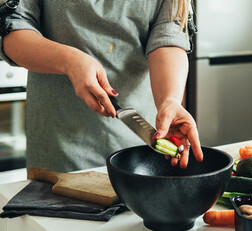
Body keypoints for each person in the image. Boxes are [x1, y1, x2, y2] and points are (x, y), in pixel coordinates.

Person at [0, 0, 203, 172]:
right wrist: (69, 61)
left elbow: (168, 39)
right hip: (60, 152)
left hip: (142, 157)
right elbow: (10, 29)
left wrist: (170, 100)